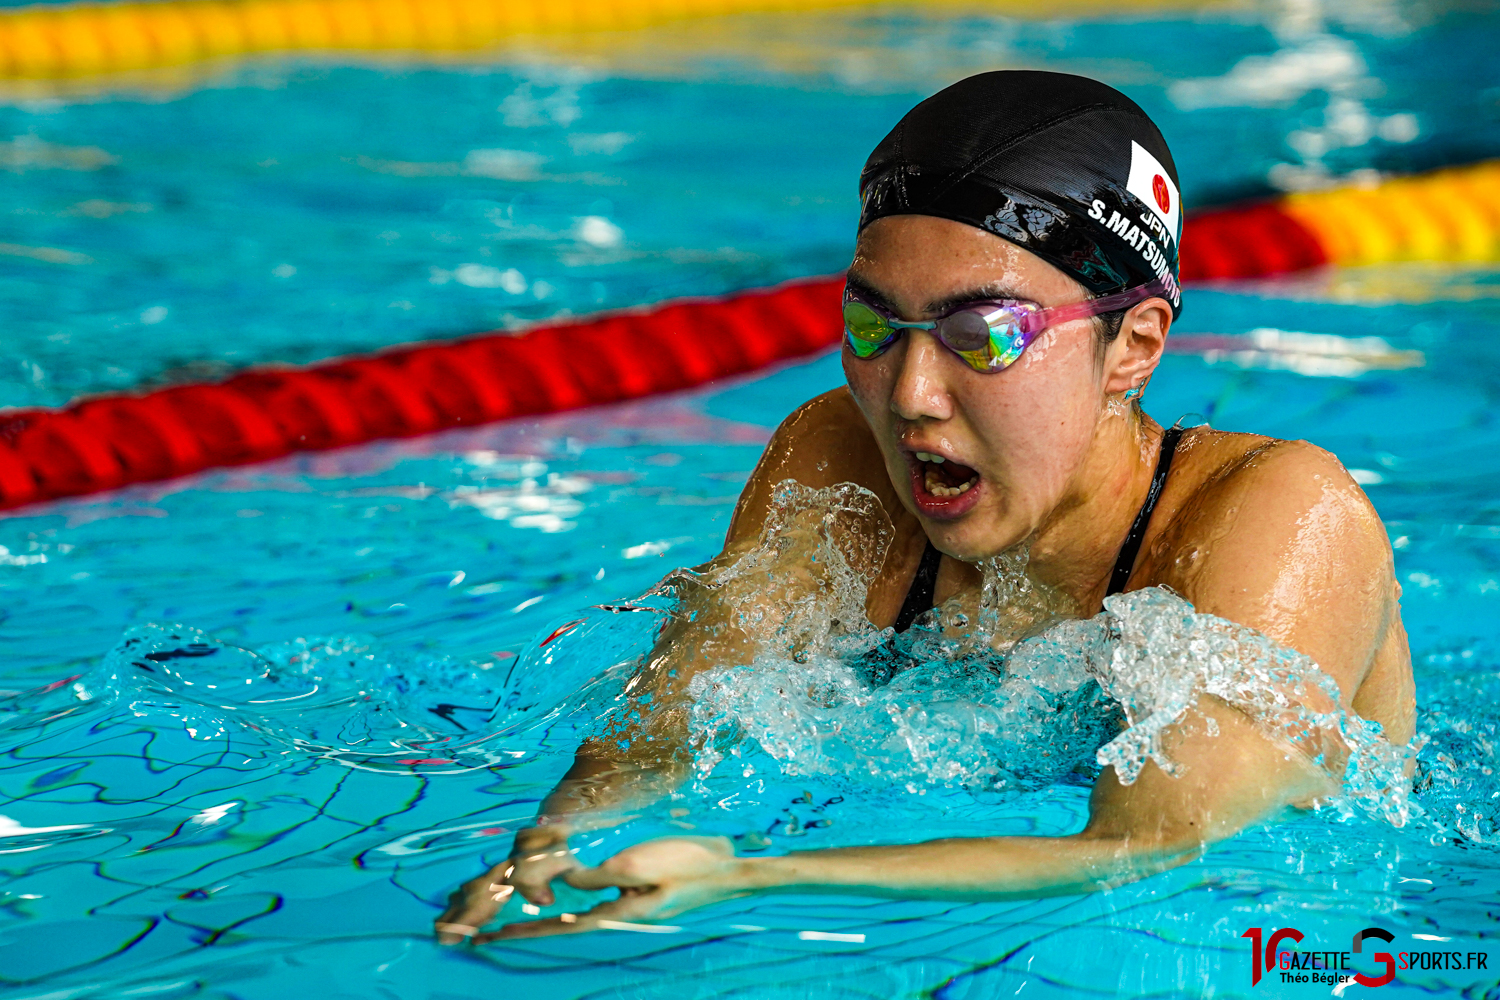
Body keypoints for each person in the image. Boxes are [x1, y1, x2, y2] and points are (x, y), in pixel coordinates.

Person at [434, 70, 1415, 943]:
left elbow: (1159, 847)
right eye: (875, 324)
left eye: (982, 334)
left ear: (1135, 347)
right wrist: (554, 838)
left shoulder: (1280, 518)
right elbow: (679, 710)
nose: (908, 394)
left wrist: (752, 876)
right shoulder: (840, 460)